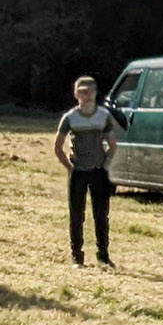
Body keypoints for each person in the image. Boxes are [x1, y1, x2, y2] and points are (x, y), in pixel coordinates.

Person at [54, 74, 123, 266]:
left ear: (95, 93)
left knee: (101, 215)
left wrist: (106, 164)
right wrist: (70, 168)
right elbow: (57, 147)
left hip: (98, 171)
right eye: (83, 92)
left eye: (90, 91)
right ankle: (77, 255)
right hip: (78, 172)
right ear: (76, 94)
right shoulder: (70, 118)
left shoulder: (104, 116)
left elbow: (113, 144)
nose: (87, 95)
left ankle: (103, 254)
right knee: (77, 215)